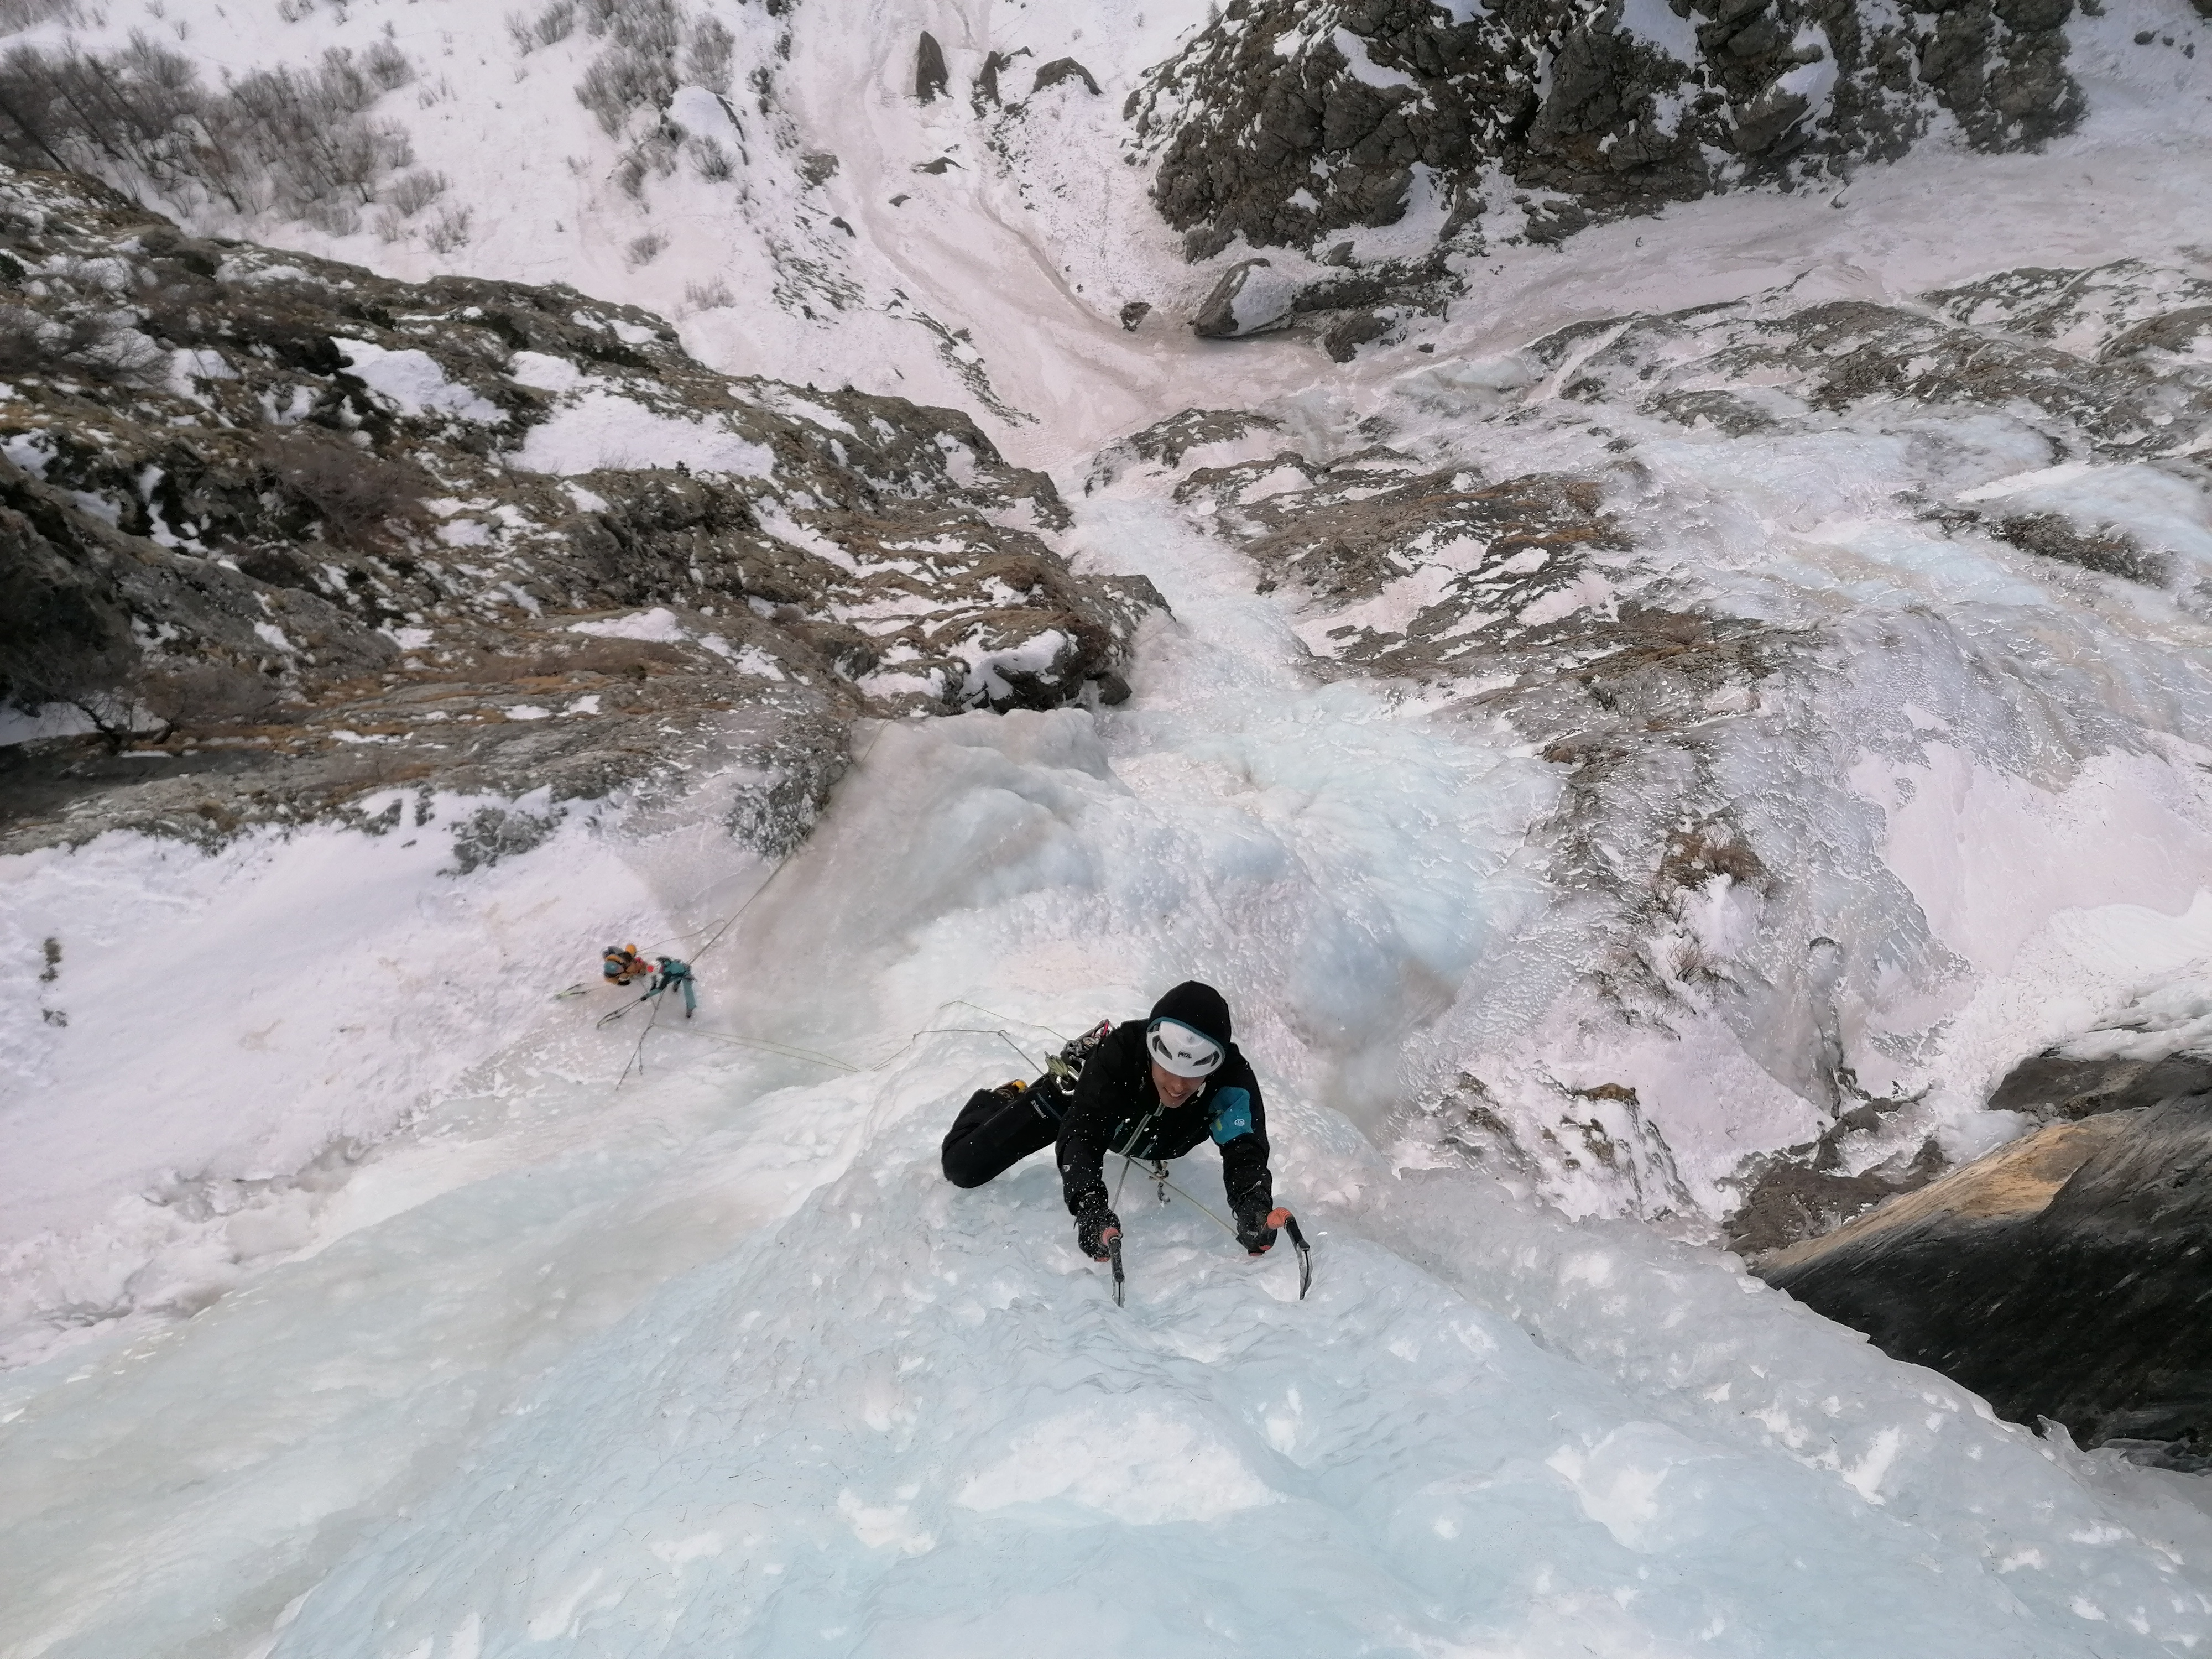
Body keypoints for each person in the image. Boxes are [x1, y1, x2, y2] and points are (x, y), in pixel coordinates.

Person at [939, 981, 1281, 1261]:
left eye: (1193, 1076)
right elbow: (1083, 1135)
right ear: (1150, 1051)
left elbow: (1244, 1147)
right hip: (1077, 1102)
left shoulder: (1232, 1080)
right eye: (1168, 1070)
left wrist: (1252, 1203)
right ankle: (1005, 1098)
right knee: (962, 1166)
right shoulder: (1119, 1055)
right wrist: (1089, 1205)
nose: (1178, 1086)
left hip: (1155, 1134)